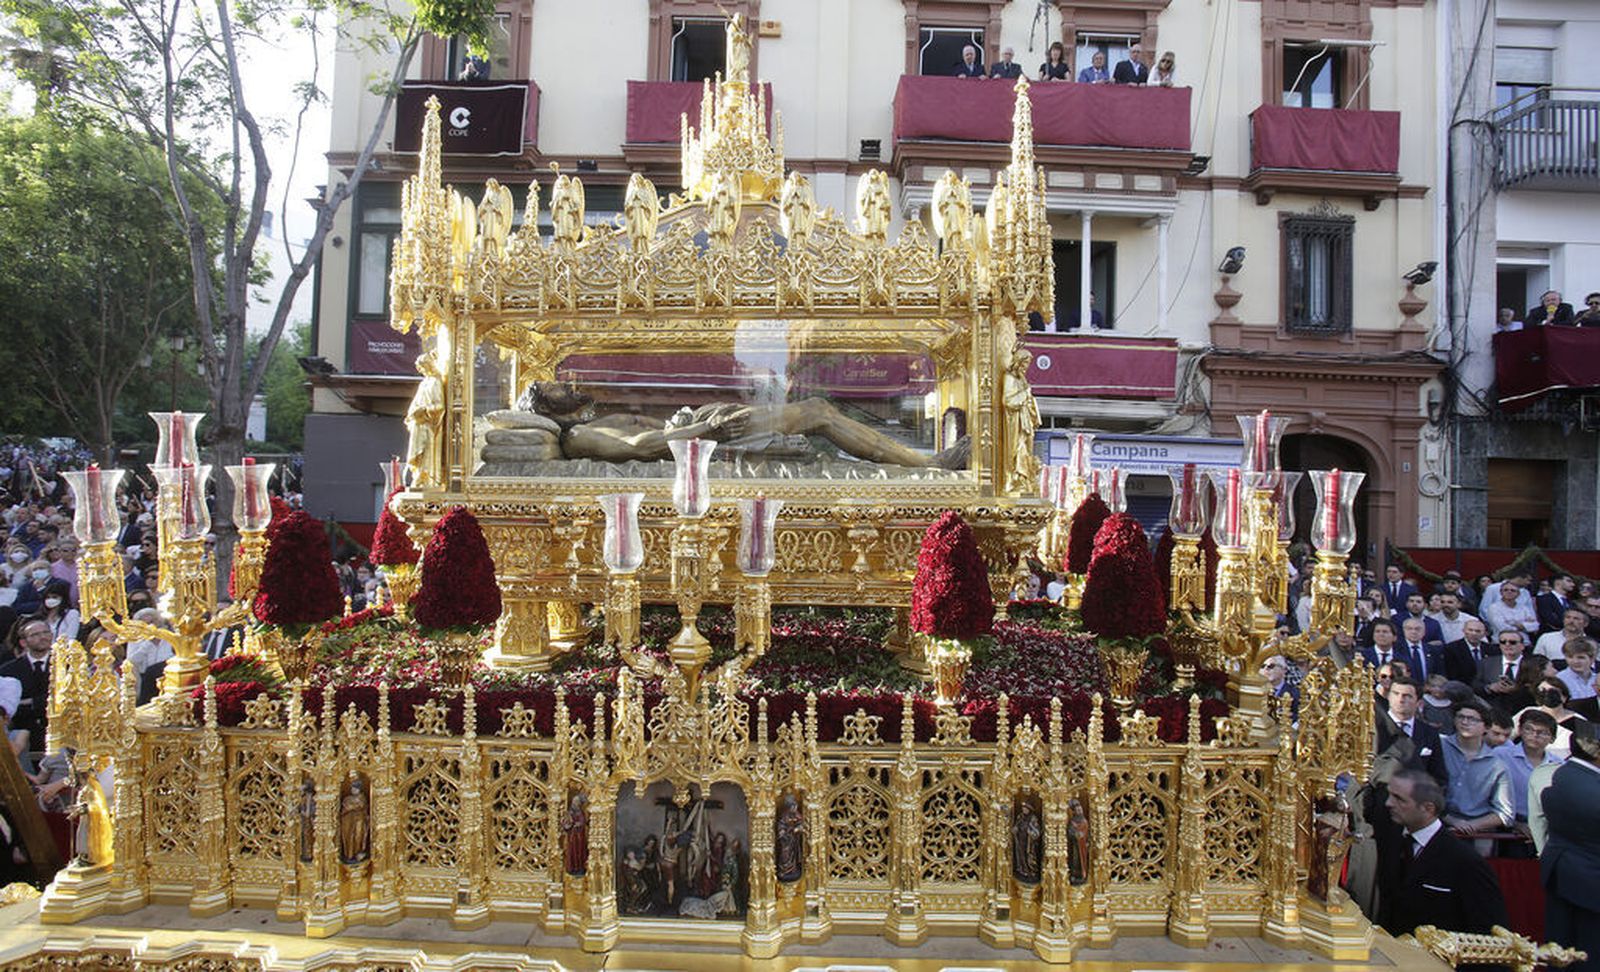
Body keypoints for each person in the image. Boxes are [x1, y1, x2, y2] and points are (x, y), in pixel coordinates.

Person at [1380, 768, 1510, 937]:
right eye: (1389, 795)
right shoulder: (1394, 843)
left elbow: (1489, 931)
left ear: (1428, 809)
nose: (1388, 803)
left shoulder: (1465, 862)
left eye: (1399, 799)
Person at [1538, 720, 1600, 966]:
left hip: (1564, 874)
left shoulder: (1564, 775)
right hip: (1590, 882)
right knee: (1587, 955)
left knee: (1562, 950)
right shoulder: (1588, 788)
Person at [1439, 701, 1515, 852]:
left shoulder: (1497, 765)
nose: (1465, 722)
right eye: (1461, 717)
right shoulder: (1439, 746)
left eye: (1473, 719)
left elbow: (1505, 813)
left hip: (1477, 834)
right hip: (1438, 823)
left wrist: (1471, 826)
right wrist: (1451, 820)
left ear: (1486, 727)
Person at [1496, 708, 1561, 856]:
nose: (1534, 735)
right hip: (1508, 828)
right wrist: (1517, 824)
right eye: (1529, 729)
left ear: (1552, 738)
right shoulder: (1501, 756)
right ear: (1520, 730)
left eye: (1542, 732)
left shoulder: (1559, 765)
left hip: (1546, 831)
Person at [0, 619, 53, 753]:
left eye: (46, 632)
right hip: (23, 731)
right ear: (23, 642)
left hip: (57, 731)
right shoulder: (9, 670)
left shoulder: (68, 666)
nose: (42, 637)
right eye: (35, 635)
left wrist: (32, 702)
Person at [1479, 630, 1535, 716]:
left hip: (1525, 711)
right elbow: (1475, 685)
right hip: (1494, 712)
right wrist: (1490, 687)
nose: (1507, 645)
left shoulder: (1533, 664)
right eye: (1503, 642)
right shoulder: (1486, 663)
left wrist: (1517, 689)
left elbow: (1538, 688)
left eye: (1512, 642)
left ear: (1522, 646)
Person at [1556, 638, 1599, 717]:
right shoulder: (1559, 679)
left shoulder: (1597, 679)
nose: (1575, 661)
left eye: (1581, 657)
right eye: (1570, 657)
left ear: (1592, 659)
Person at [1444, 618, 1494, 684]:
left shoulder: (1491, 649)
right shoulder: (1452, 649)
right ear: (1464, 631)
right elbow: (1452, 675)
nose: (1473, 633)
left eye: (1478, 631)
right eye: (1470, 630)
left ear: (1484, 633)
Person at [1399, 617, 1444, 683]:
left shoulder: (1433, 650)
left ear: (1424, 632)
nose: (1413, 632)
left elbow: (1439, 673)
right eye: (1409, 629)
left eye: (1418, 629)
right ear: (1404, 631)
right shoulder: (1396, 649)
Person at [1261, 654, 1299, 723]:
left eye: (1271, 666)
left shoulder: (1294, 693)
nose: (1266, 669)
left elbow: (1298, 718)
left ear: (1284, 670)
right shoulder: (1257, 690)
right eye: (1263, 666)